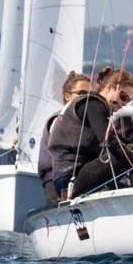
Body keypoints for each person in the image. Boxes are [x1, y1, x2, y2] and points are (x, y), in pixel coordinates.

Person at [49, 67, 133, 201]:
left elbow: (123, 143)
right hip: (72, 178)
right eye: (123, 96)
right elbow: (108, 141)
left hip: (72, 178)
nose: (123, 104)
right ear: (110, 87)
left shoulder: (95, 107)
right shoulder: (93, 104)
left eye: (127, 101)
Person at [38, 71, 90, 203]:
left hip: (74, 177)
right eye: (83, 94)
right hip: (55, 178)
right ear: (67, 96)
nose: (88, 98)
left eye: (91, 94)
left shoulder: (81, 120)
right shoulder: (58, 119)